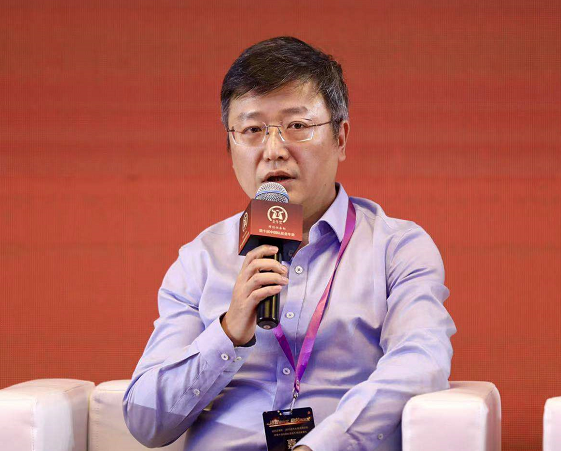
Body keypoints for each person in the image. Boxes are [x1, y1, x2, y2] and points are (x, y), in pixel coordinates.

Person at [122, 36, 456, 450]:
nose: (274, 150)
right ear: (230, 148)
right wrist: (227, 333)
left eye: (297, 126)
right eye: (252, 130)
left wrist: (321, 446)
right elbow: (145, 422)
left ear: (340, 138)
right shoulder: (200, 260)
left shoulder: (397, 249)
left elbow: (421, 362)